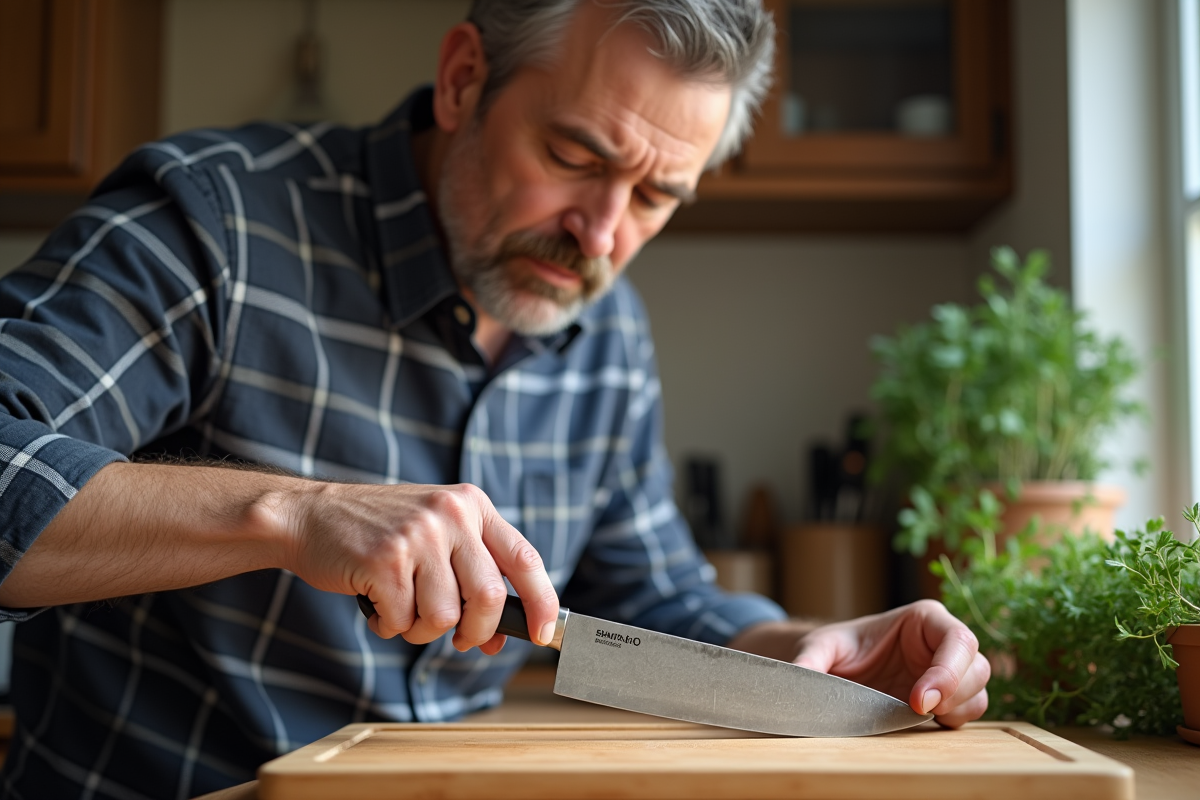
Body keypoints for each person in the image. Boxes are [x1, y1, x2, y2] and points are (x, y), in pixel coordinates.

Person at [0, 1, 989, 797]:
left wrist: (807, 652)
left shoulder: (607, 331)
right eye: (575, 157)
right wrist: (293, 512)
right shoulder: (214, 222)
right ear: (465, 76)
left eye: (654, 197)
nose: (602, 235)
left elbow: (651, 596)